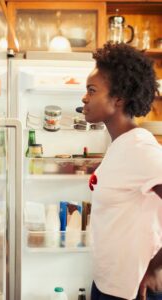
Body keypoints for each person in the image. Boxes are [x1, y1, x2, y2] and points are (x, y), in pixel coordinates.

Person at [81, 42, 162, 300]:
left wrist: (154, 267)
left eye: (92, 91)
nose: (84, 97)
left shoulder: (140, 148)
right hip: (107, 282)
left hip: (132, 289)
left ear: (118, 99)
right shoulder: (120, 145)